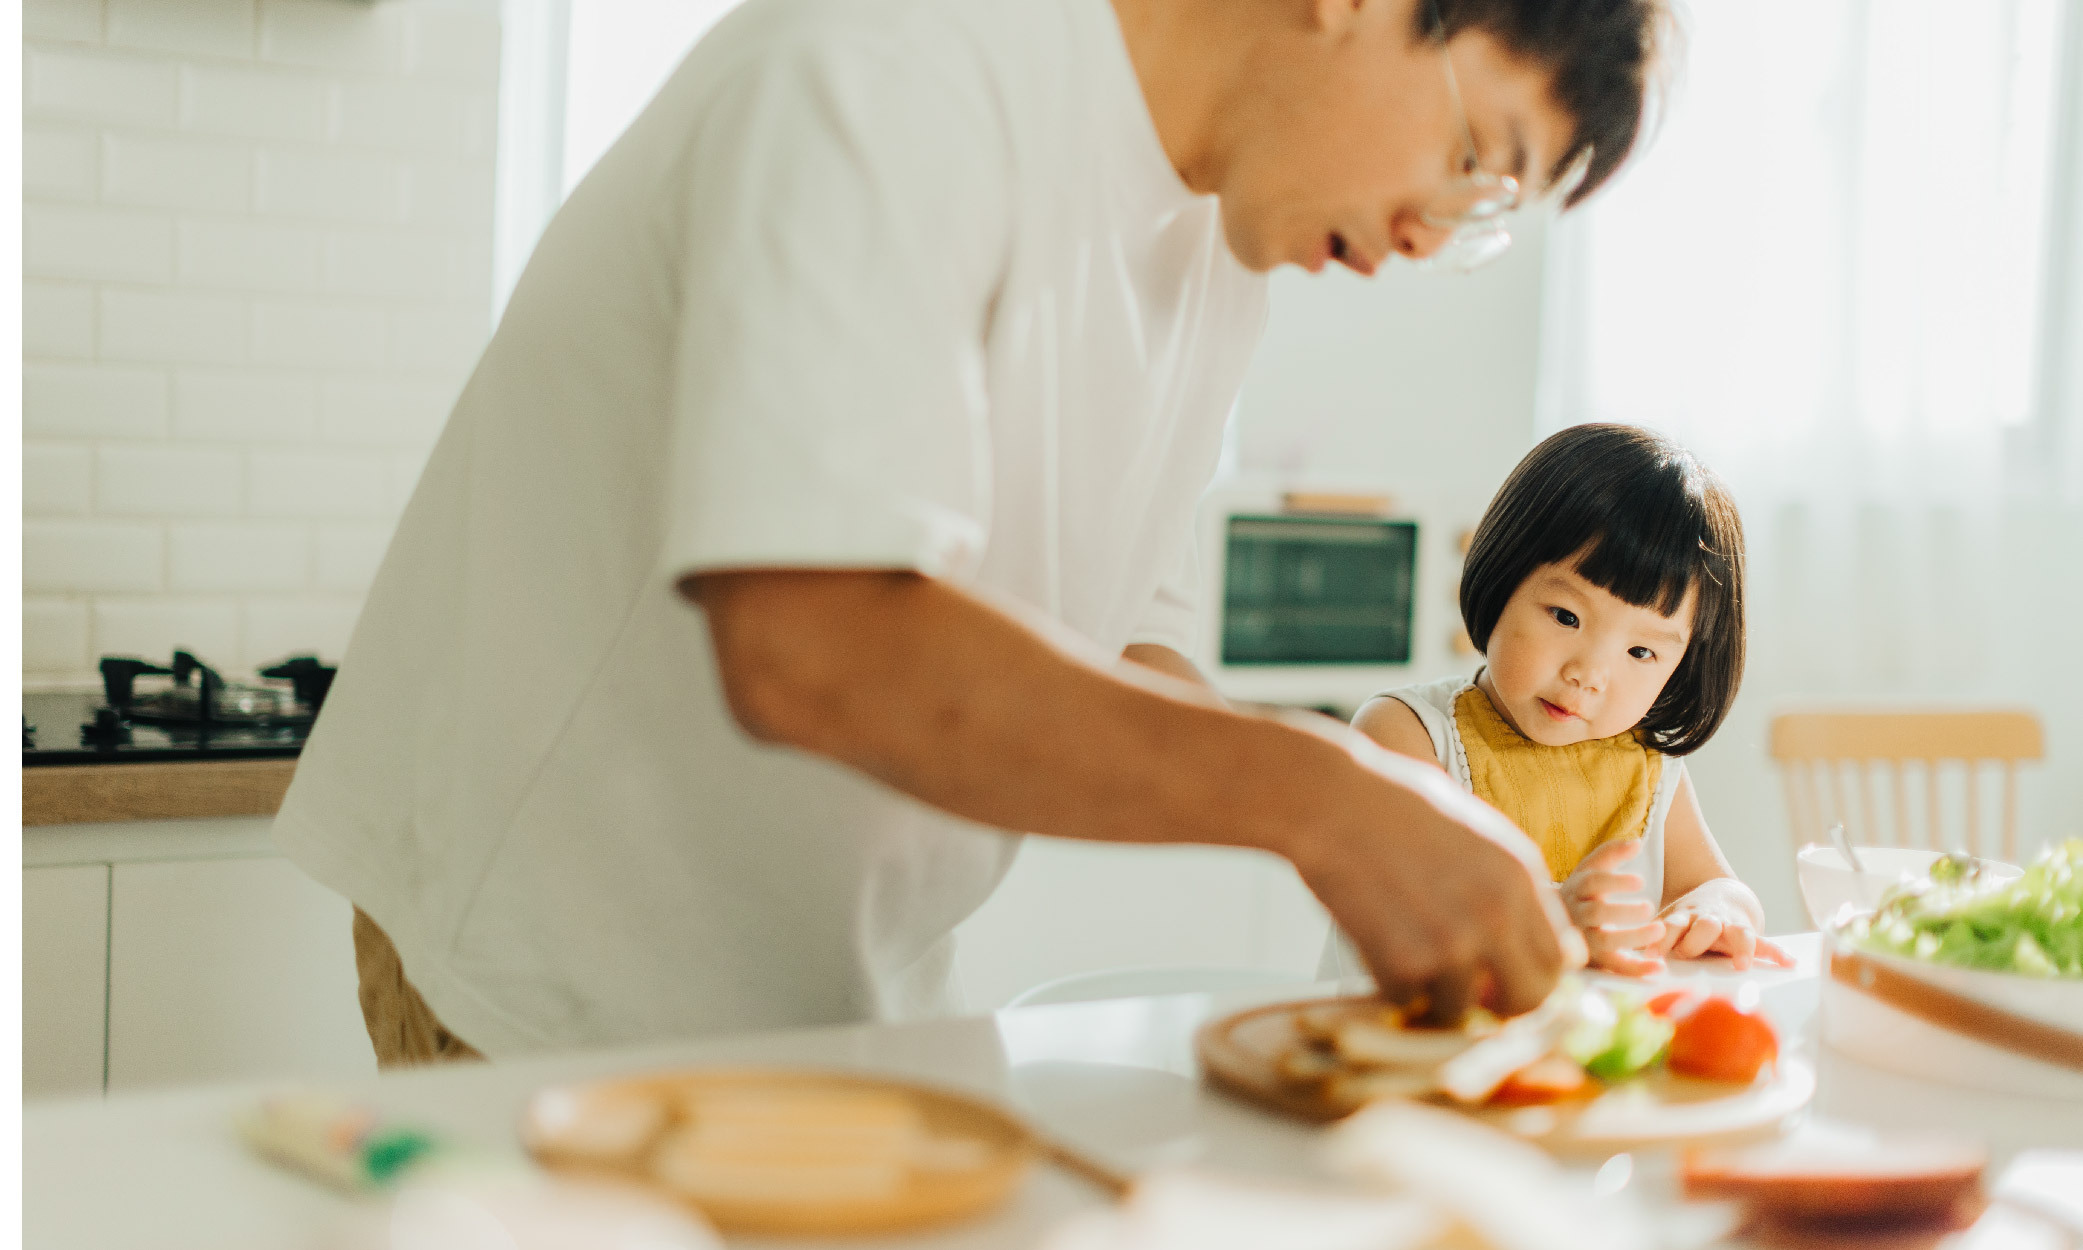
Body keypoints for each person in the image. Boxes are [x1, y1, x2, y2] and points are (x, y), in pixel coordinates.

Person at [274, 0, 1675, 1065]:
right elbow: (812, 642)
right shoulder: (907, 58)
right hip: (554, 961)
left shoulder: (1216, 252)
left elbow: (1134, 648)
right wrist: (1321, 797)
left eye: (1488, 214)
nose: (1435, 233)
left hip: (838, 987)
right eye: (1472, 158)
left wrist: (1379, 847)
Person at [1325, 424, 1793, 983]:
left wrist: (1717, 910)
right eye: (1566, 617)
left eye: (1640, 650)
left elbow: (1715, 884)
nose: (1588, 674)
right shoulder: (1407, 733)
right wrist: (1555, 920)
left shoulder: (1649, 767)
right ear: (1503, 579)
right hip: (1402, 1048)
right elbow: (1417, 917)